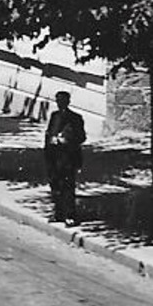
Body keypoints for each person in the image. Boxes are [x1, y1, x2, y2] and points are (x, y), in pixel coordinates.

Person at [43, 91, 87, 225]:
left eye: (62, 101)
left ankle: (70, 215)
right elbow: (49, 132)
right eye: (58, 101)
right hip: (54, 156)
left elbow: (81, 137)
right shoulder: (54, 116)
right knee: (55, 185)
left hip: (68, 157)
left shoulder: (75, 118)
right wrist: (50, 141)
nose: (60, 103)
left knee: (68, 186)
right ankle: (58, 213)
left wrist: (67, 140)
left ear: (68, 102)